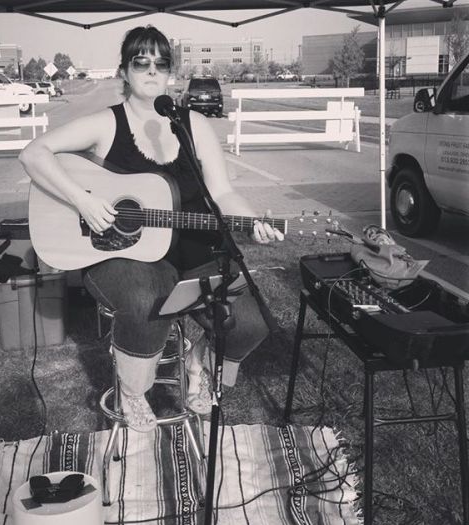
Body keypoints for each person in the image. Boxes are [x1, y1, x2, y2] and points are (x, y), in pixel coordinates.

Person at [19, 25, 284, 433]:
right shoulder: (106, 124)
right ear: (124, 71)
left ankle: (199, 363)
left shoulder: (194, 124)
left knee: (252, 319)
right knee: (147, 297)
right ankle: (133, 391)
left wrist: (253, 223)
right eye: (141, 62)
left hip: (196, 248)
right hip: (123, 252)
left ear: (170, 73)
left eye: (161, 64)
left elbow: (223, 192)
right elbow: (33, 154)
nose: (151, 71)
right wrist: (82, 201)